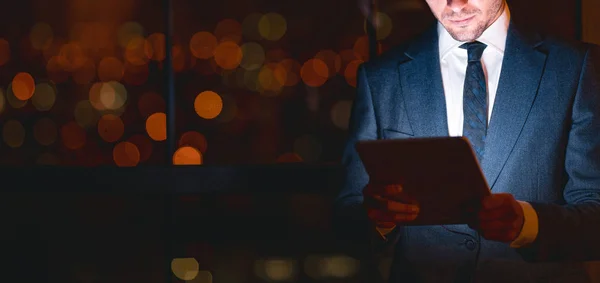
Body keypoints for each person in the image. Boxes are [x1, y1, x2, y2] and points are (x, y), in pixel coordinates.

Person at [333, 0, 600, 282]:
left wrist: (527, 224)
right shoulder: (380, 78)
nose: (454, 4)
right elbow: (347, 217)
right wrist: (379, 220)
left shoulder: (576, 67)